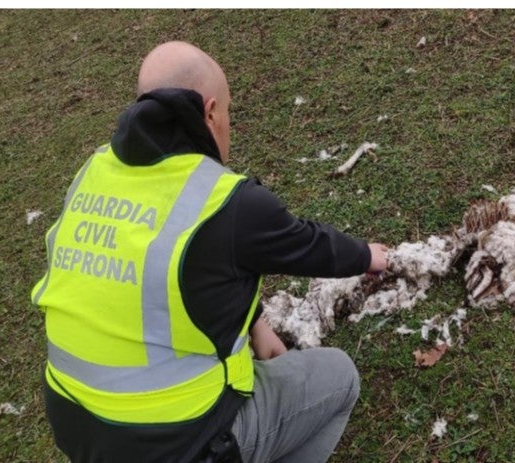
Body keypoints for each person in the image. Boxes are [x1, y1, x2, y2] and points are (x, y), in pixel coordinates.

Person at [30, 40, 388, 463]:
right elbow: (310, 245)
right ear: (211, 112)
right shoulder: (224, 200)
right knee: (339, 376)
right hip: (175, 447)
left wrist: (254, 323)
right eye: (230, 112)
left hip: (78, 431)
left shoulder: (94, 173)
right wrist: (370, 256)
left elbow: (169, 276)